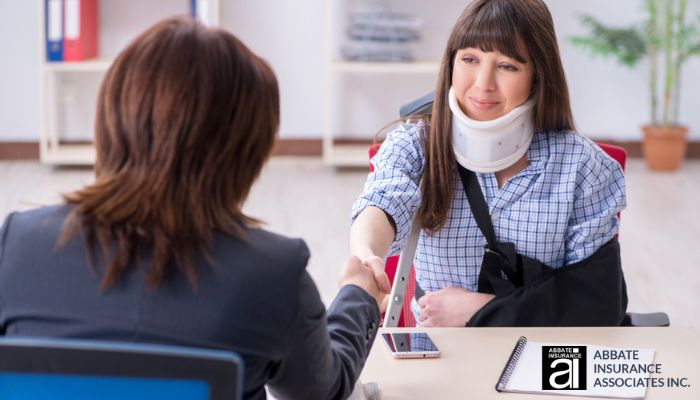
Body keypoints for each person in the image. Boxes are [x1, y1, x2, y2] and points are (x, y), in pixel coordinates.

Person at [0, 17, 391, 400]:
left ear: (109, 123)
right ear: (247, 153)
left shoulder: (18, 246)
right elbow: (320, 391)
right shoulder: (272, 276)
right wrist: (358, 295)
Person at [350, 0, 627, 327]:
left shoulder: (584, 167)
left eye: (507, 66)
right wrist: (366, 253)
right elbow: (382, 203)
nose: (483, 83)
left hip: (545, 353)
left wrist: (483, 309)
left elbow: (597, 300)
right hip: (443, 351)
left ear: (538, 76)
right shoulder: (416, 144)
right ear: (451, 64)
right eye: (470, 59)